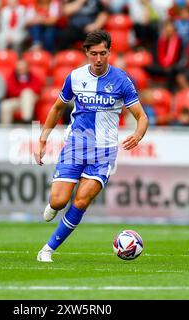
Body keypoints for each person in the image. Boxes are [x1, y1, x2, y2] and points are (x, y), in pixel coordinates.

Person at [34, 30, 148, 262]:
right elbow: (57, 108)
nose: (98, 59)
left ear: (109, 53)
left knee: (82, 201)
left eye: (103, 53)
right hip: (76, 146)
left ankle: (47, 249)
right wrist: (43, 139)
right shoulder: (75, 77)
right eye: (94, 53)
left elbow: (142, 116)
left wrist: (138, 134)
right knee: (58, 201)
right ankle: (55, 206)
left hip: (104, 152)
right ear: (86, 53)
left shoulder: (121, 80)